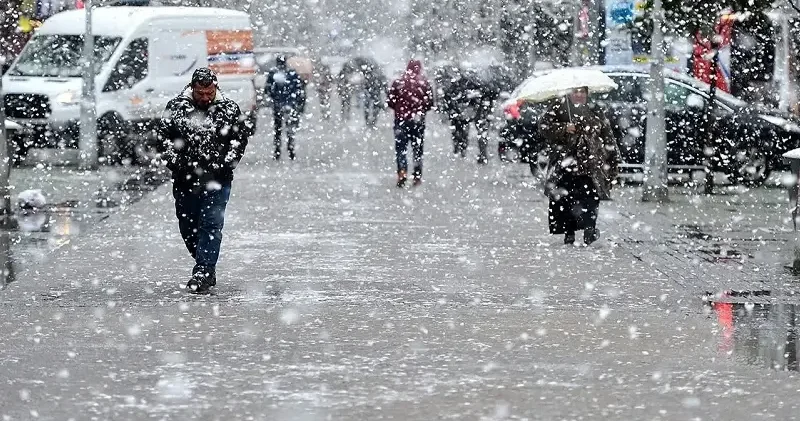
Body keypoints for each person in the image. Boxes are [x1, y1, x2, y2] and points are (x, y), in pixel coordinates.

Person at [159, 68, 251, 293]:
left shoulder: (229, 109)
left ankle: (204, 270)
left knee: (211, 224)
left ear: (215, 88)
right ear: (192, 89)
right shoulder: (176, 108)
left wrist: (225, 165)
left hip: (217, 180)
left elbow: (239, 140)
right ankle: (203, 260)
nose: (204, 98)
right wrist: (176, 163)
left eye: (208, 93)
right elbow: (163, 139)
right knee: (188, 226)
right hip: (185, 179)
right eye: (200, 93)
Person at [538, 87, 619, 245]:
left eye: (583, 91)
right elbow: (544, 128)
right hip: (565, 162)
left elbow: (607, 134)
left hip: (590, 163)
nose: (579, 95)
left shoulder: (595, 109)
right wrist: (564, 128)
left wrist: (612, 158)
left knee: (590, 197)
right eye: (576, 91)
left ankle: (590, 229)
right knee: (566, 198)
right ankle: (569, 232)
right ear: (569, 92)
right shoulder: (559, 106)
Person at [387, 59, 433, 187]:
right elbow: (429, 104)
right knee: (417, 149)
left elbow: (390, 102)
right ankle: (417, 176)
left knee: (401, 149)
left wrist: (400, 110)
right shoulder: (424, 83)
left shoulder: (398, 82)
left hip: (401, 120)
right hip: (418, 121)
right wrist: (419, 111)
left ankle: (402, 172)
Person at [266, 55, 306, 160]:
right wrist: (298, 103)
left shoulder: (273, 74)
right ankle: (290, 150)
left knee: (278, 129)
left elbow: (268, 89)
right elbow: (299, 90)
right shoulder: (292, 74)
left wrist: (274, 99)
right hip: (290, 105)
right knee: (290, 130)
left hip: (278, 105)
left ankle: (277, 151)